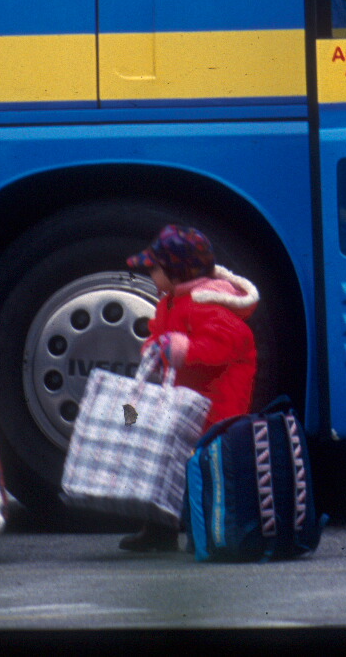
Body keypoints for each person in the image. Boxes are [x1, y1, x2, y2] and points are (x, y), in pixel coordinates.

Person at [118, 224, 259, 552]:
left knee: (207, 474)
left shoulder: (210, 304)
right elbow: (160, 332)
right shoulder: (172, 301)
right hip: (184, 405)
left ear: (176, 271)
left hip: (216, 410)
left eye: (154, 267)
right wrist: (155, 346)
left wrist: (181, 349)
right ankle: (160, 531)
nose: (150, 273)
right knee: (163, 466)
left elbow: (227, 345)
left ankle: (208, 531)